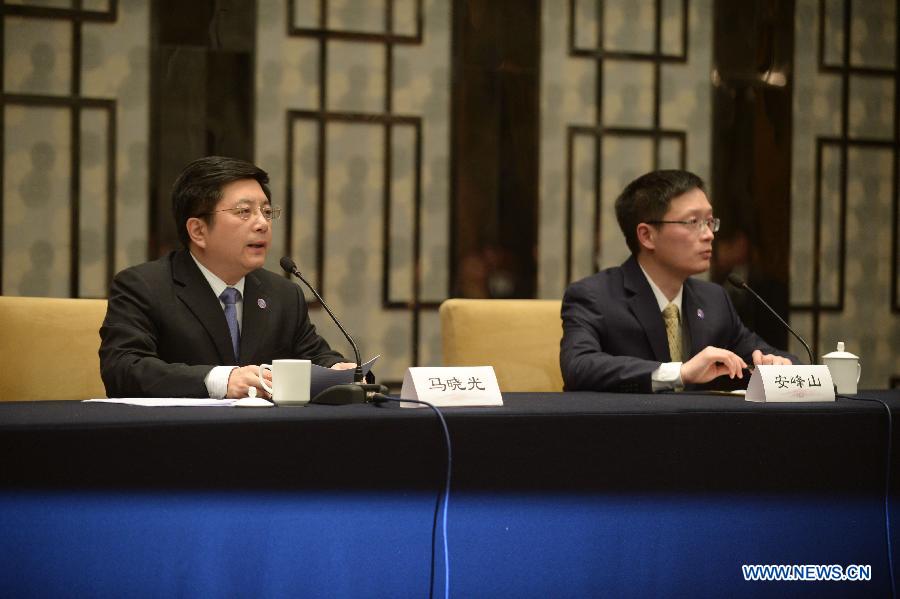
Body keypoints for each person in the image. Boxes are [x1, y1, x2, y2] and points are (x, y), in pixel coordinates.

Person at [100, 156, 356, 398]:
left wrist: (337, 370)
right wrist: (222, 380)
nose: (262, 224)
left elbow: (314, 357)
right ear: (198, 231)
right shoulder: (144, 286)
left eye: (266, 212)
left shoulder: (282, 294)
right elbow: (122, 369)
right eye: (244, 212)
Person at [560, 169, 796, 393]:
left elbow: (772, 356)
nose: (709, 234)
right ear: (647, 235)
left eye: (710, 221)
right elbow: (579, 366)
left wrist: (776, 365)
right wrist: (679, 373)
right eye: (693, 222)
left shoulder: (714, 300)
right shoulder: (594, 296)